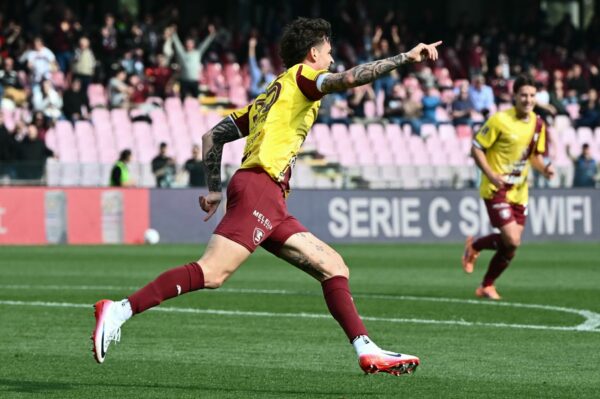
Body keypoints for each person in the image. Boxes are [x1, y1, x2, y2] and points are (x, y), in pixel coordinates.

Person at [92, 17, 441, 376]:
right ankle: (119, 309)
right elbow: (348, 79)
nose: (333, 60)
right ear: (313, 53)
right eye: (329, 53)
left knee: (333, 266)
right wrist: (405, 57)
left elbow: (212, 137)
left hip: (269, 197)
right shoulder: (303, 77)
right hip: (260, 187)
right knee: (212, 272)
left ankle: (367, 350)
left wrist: (214, 190)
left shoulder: (269, 96)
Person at [462, 75, 555, 300]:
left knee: (511, 246)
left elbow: (534, 156)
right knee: (512, 239)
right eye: (523, 95)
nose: (528, 99)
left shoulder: (538, 124)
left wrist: (545, 170)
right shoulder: (499, 120)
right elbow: (476, 148)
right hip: (496, 188)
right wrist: (491, 175)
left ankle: (487, 285)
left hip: (520, 191)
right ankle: (475, 245)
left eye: (532, 95)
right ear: (514, 96)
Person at [165, 25, 216, 99]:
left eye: (190, 43)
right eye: (187, 43)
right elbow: (177, 43)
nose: (189, 45)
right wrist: (174, 34)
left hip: (194, 81)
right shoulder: (182, 53)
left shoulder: (197, 53)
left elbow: (205, 44)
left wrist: (211, 34)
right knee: (183, 99)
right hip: (184, 80)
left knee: (195, 99)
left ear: (193, 44)